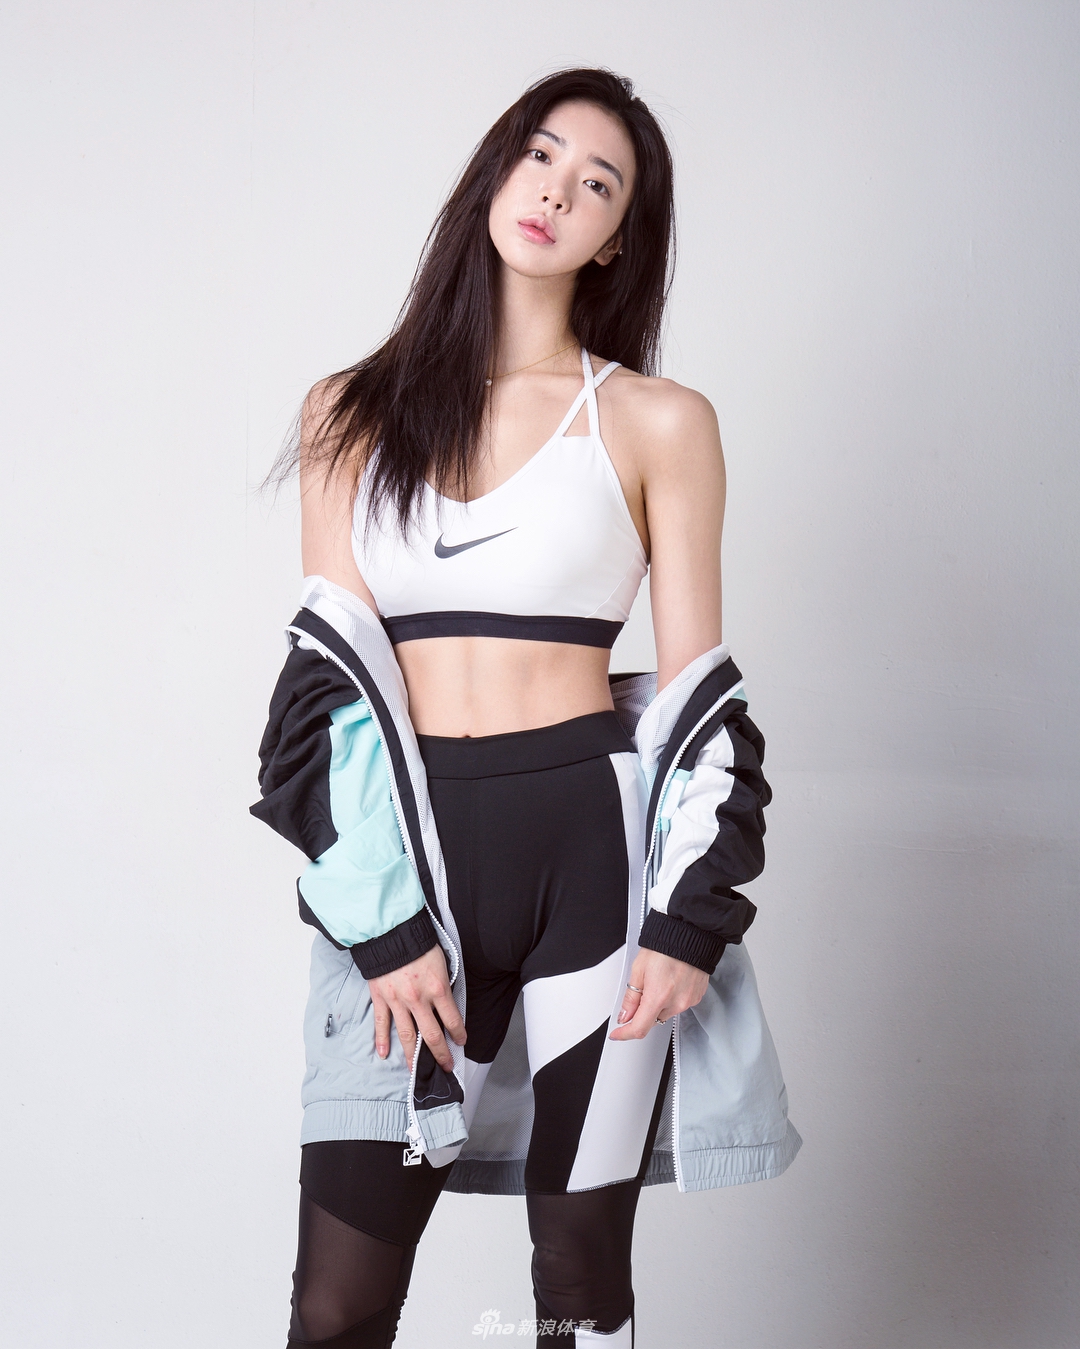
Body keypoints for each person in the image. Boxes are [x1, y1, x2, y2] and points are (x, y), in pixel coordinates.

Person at [252, 67, 800, 1349]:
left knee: (580, 1281)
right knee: (336, 1304)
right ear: (496, 171)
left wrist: (686, 917)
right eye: (541, 155)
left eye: (597, 183)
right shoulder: (349, 411)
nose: (557, 190)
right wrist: (386, 928)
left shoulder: (658, 421)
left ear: (616, 237)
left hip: (590, 861)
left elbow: (702, 696)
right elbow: (324, 690)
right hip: (412, 860)